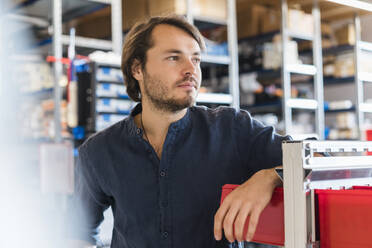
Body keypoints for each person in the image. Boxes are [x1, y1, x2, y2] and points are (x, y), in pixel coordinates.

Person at [71, 15, 289, 248]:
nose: (191, 70)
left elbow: (318, 162)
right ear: (137, 69)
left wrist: (270, 177)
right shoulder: (99, 152)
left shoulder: (232, 129)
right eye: (174, 58)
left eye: (195, 59)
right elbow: (78, 233)